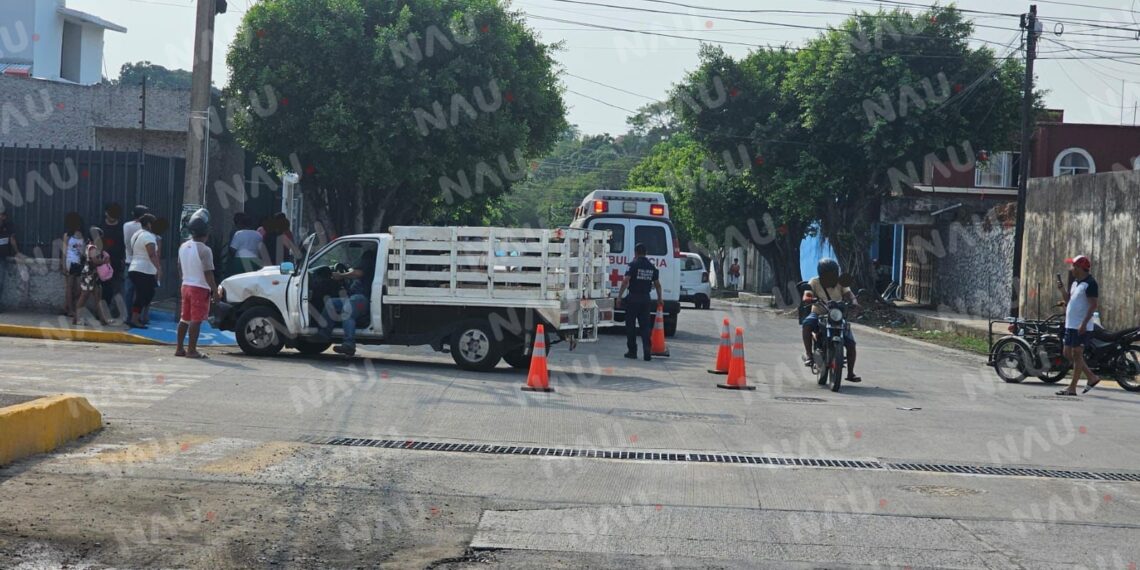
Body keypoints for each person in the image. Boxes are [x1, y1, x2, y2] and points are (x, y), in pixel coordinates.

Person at [801, 258, 862, 383]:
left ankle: (850, 373)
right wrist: (809, 299)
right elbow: (807, 294)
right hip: (818, 313)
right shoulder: (814, 281)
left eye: (833, 273)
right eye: (828, 274)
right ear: (821, 274)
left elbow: (849, 294)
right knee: (807, 324)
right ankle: (809, 355)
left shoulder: (841, 282)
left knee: (851, 344)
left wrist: (854, 302)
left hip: (837, 315)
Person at [317, 243, 377, 356]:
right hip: (355, 296)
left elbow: (358, 273)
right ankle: (323, 335)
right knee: (331, 303)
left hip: (363, 298)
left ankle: (349, 344)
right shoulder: (371, 256)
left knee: (348, 310)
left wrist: (341, 275)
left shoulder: (369, 256)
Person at [176, 209, 219, 359]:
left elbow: (179, 267)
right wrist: (215, 291)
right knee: (196, 319)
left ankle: (180, 348)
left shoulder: (183, 246)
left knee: (184, 318)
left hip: (186, 285)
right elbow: (208, 273)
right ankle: (192, 350)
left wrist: (184, 280)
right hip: (199, 288)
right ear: (207, 232)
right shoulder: (205, 250)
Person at [1056, 255, 1101, 396]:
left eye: (1073, 266)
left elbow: (1093, 305)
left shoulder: (1090, 284)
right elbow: (1069, 300)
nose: (1071, 269)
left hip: (1081, 326)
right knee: (1067, 353)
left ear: (1080, 268)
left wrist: (1084, 323)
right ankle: (1091, 377)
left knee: (1077, 355)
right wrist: (1062, 290)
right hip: (1071, 325)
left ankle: (1072, 388)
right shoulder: (1076, 283)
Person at [616, 243, 663, 361]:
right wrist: (659, 298)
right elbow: (657, 285)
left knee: (630, 326)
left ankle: (632, 351)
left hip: (633, 299)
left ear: (636, 253)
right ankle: (647, 351)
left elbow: (625, 281)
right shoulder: (652, 267)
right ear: (646, 253)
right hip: (646, 300)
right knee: (645, 327)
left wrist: (619, 296)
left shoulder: (632, 265)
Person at [126, 214, 161, 329]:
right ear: (149, 224)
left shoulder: (136, 235)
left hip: (136, 267)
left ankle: (139, 317)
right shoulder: (148, 237)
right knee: (142, 295)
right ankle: (135, 319)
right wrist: (158, 268)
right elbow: (152, 254)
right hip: (143, 269)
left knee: (147, 293)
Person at [73, 227, 112, 326]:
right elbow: (95, 261)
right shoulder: (92, 247)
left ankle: (102, 319)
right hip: (89, 274)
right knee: (84, 296)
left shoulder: (93, 247)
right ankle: (76, 318)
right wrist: (104, 261)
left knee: (97, 297)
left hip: (94, 274)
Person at [121, 205, 149, 320]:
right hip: (142, 262)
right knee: (140, 292)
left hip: (129, 261)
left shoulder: (126, 226)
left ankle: (127, 315)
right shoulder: (145, 228)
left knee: (129, 291)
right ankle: (138, 316)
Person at [98, 204, 125, 318]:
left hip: (117, 262)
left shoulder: (122, 227)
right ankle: (103, 312)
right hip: (102, 263)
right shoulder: (100, 226)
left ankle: (114, 311)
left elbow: (125, 244)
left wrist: (123, 258)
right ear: (106, 213)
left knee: (117, 288)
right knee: (104, 289)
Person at [61, 215, 85, 319]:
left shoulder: (84, 236)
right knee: (69, 287)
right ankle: (70, 310)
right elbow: (64, 251)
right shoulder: (67, 235)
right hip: (70, 262)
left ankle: (68, 306)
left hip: (79, 263)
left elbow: (84, 253)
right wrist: (63, 265)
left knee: (79, 288)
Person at [0, 210, 19, 313]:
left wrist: (17, 252)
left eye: (2, 215)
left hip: (2, 258)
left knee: (0, 282)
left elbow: (12, 239)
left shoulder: (8, 227)